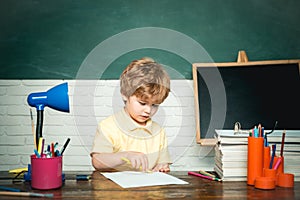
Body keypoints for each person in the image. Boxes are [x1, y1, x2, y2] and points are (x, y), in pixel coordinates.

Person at [90, 57, 172, 172]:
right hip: (115, 189)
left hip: (149, 188)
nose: (148, 110)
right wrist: (126, 156)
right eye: (142, 103)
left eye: (155, 105)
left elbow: (163, 163)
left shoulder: (158, 131)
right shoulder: (108, 126)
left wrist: (162, 167)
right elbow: (97, 161)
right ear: (125, 94)